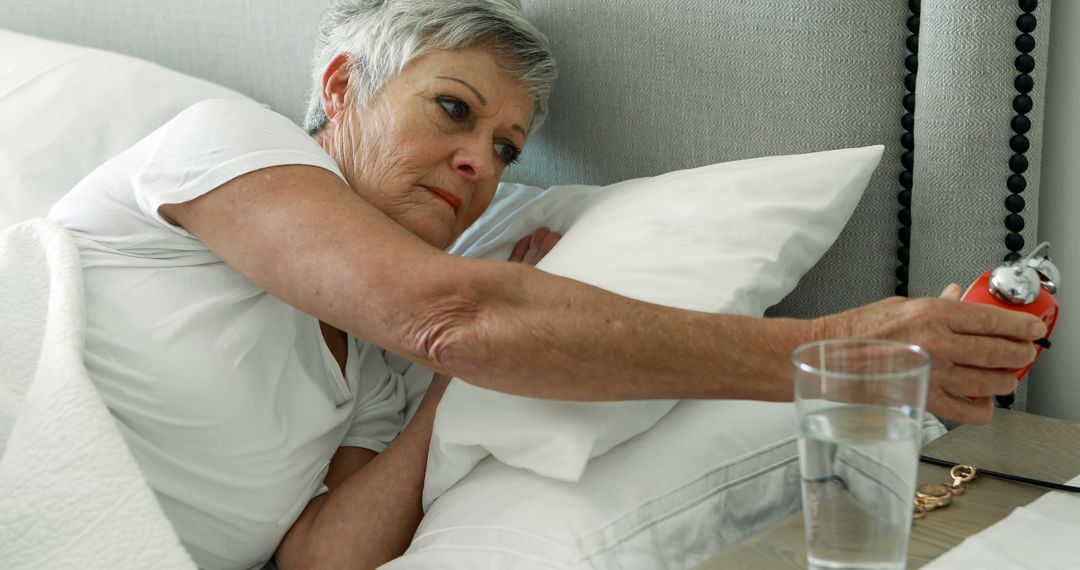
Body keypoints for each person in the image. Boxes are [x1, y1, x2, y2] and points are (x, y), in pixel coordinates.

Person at [46, 0, 1044, 568]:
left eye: (506, 144)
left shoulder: (384, 377)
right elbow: (454, 312)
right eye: (452, 109)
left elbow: (320, 561)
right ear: (343, 89)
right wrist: (839, 355)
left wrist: (452, 390)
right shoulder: (225, 144)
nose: (480, 162)